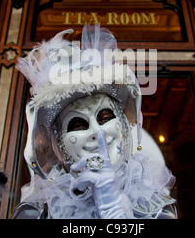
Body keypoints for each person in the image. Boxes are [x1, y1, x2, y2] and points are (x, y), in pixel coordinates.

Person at [12, 24, 177, 219]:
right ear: (59, 142)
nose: (97, 131)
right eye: (78, 124)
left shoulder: (153, 207)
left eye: (105, 117)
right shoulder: (37, 213)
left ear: (123, 124)